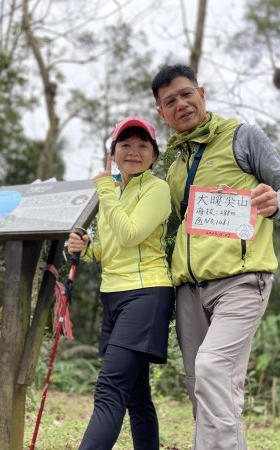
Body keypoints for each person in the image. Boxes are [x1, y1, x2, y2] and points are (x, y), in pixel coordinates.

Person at [150, 64, 280, 450]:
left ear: (202, 93)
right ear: (162, 113)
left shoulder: (243, 137)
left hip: (241, 281)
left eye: (187, 94)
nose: (181, 104)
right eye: (171, 101)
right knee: (201, 384)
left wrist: (275, 203)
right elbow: (155, 226)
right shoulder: (176, 164)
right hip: (188, 290)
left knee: (212, 369)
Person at [67, 116, 175, 450]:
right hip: (113, 296)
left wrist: (104, 190)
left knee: (109, 390)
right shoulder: (118, 192)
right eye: (125, 144)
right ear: (113, 152)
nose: (134, 151)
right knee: (136, 396)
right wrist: (85, 249)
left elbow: (130, 235)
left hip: (146, 294)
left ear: (154, 156)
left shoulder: (157, 189)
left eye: (143, 145)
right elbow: (108, 249)